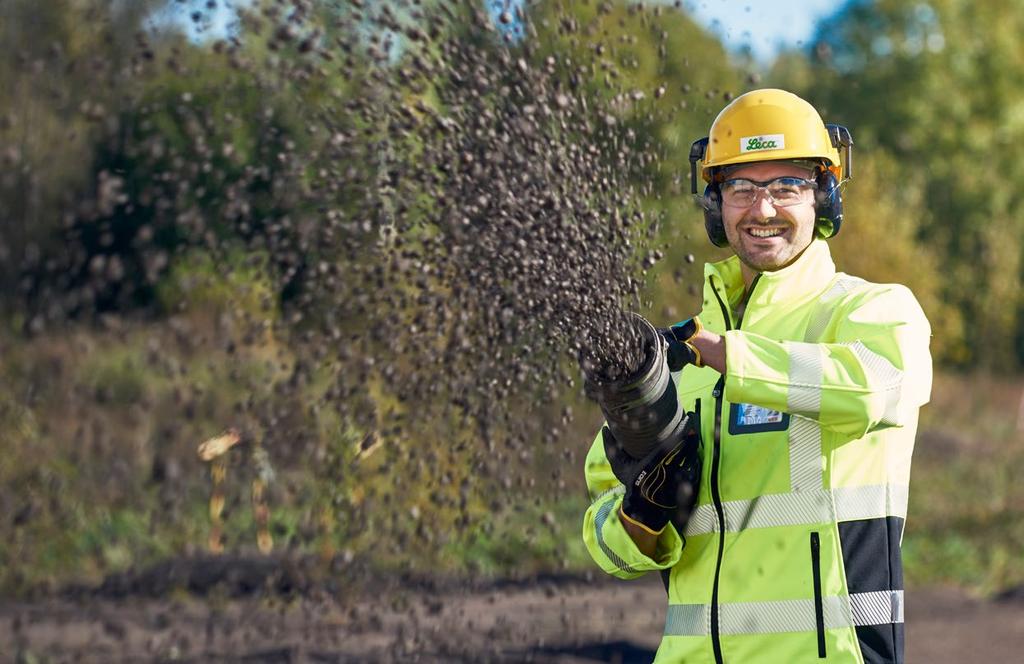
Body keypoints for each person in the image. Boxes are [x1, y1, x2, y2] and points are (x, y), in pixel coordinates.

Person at [581, 88, 933, 663]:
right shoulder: (677, 365)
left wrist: (727, 354)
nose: (761, 209)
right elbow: (603, 536)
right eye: (741, 187)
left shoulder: (871, 313)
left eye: (786, 186)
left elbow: (874, 389)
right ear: (715, 204)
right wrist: (641, 517)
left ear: (825, 197)